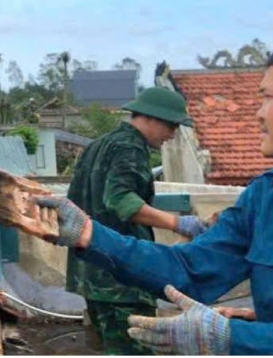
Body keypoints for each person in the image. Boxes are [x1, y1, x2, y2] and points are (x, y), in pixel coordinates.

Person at [37, 32, 273, 355]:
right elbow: (191, 270)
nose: (259, 113)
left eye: (268, 97)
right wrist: (89, 235)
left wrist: (235, 337)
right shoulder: (267, 198)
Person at [65, 87, 209, 354]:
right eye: (172, 125)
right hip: (122, 279)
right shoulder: (131, 147)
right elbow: (121, 201)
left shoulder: (99, 145)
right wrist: (179, 223)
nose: (172, 135)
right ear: (152, 118)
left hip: (92, 273)